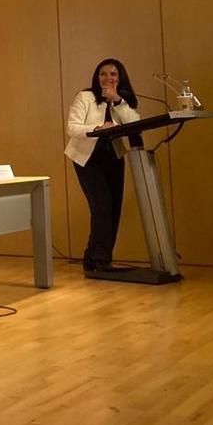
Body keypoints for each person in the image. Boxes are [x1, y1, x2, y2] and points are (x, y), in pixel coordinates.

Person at [65, 58, 140, 273]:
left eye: (113, 74)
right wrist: (98, 127)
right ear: (97, 78)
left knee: (114, 208)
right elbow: (72, 128)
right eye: (103, 74)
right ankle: (100, 259)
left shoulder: (122, 100)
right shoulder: (86, 97)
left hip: (113, 157)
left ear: (120, 78)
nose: (107, 78)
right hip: (87, 158)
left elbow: (134, 123)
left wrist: (117, 100)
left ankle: (93, 258)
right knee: (101, 207)